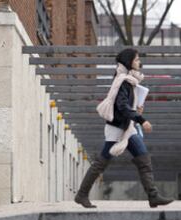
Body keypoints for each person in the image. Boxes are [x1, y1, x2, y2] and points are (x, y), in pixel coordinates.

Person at [74, 48, 174, 208]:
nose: (139, 62)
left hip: (127, 127)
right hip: (117, 128)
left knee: (143, 159)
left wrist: (136, 110)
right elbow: (122, 106)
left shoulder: (129, 81)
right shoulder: (122, 81)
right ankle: (81, 194)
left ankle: (153, 196)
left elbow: (126, 105)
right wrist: (141, 119)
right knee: (101, 162)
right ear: (129, 62)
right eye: (136, 59)